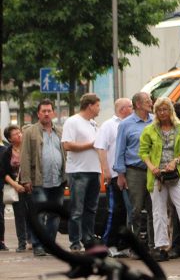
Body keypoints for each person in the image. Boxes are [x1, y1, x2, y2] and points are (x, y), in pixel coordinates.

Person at [138, 98, 180, 261]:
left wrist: (176, 161)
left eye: (165, 110)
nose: (162, 113)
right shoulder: (149, 130)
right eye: (159, 110)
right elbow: (143, 151)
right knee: (158, 212)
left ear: (171, 111)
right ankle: (161, 247)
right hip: (157, 176)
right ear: (156, 112)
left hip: (176, 174)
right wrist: (152, 166)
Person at [19, 99, 65, 256]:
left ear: (53, 112)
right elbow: (24, 156)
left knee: (55, 214)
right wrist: (26, 179)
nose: (46, 113)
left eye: (49, 110)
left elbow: (65, 154)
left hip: (57, 180)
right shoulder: (30, 132)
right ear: (38, 113)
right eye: (43, 111)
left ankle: (48, 244)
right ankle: (37, 245)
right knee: (39, 214)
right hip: (38, 180)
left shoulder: (60, 131)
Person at [61, 93, 103, 251]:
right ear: (90, 105)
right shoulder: (73, 121)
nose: (99, 108)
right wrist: (90, 145)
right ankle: (75, 242)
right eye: (98, 105)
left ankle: (88, 239)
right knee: (77, 209)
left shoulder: (93, 123)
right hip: (78, 171)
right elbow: (67, 145)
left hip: (94, 170)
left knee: (91, 209)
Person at [114, 92, 155, 249]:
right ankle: (135, 246)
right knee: (135, 210)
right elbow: (120, 151)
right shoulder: (125, 124)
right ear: (138, 104)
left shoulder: (155, 121)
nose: (151, 103)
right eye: (147, 101)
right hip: (134, 172)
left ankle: (153, 245)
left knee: (154, 209)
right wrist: (121, 175)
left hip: (153, 171)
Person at [94, 98, 133, 257]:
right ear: (123, 109)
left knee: (126, 211)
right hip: (115, 174)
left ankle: (121, 244)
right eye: (130, 106)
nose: (132, 108)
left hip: (129, 174)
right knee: (115, 210)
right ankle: (107, 243)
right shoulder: (109, 125)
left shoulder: (132, 122)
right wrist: (106, 171)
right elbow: (101, 149)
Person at [1, 125, 29, 252]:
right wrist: (15, 185)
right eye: (15, 134)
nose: (19, 135)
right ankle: (22, 242)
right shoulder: (7, 152)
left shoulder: (28, 149)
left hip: (30, 185)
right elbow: (3, 173)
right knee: (19, 215)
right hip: (16, 187)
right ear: (10, 139)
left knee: (34, 214)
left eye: (20, 132)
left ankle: (34, 241)